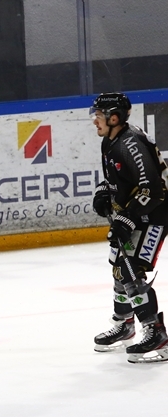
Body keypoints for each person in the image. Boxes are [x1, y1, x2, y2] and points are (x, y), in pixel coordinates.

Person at [90, 92, 168, 363]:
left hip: (155, 215)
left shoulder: (130, 143)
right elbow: (119, 178)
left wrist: (127, 218)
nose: (94, 121)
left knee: (130, 270)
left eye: (98, 116)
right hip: (136, 213)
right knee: (118, 267)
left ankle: (157, 334)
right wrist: (104, 191)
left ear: (114, 118)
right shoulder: (110, 141)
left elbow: (154, 190)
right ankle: (125, 324)